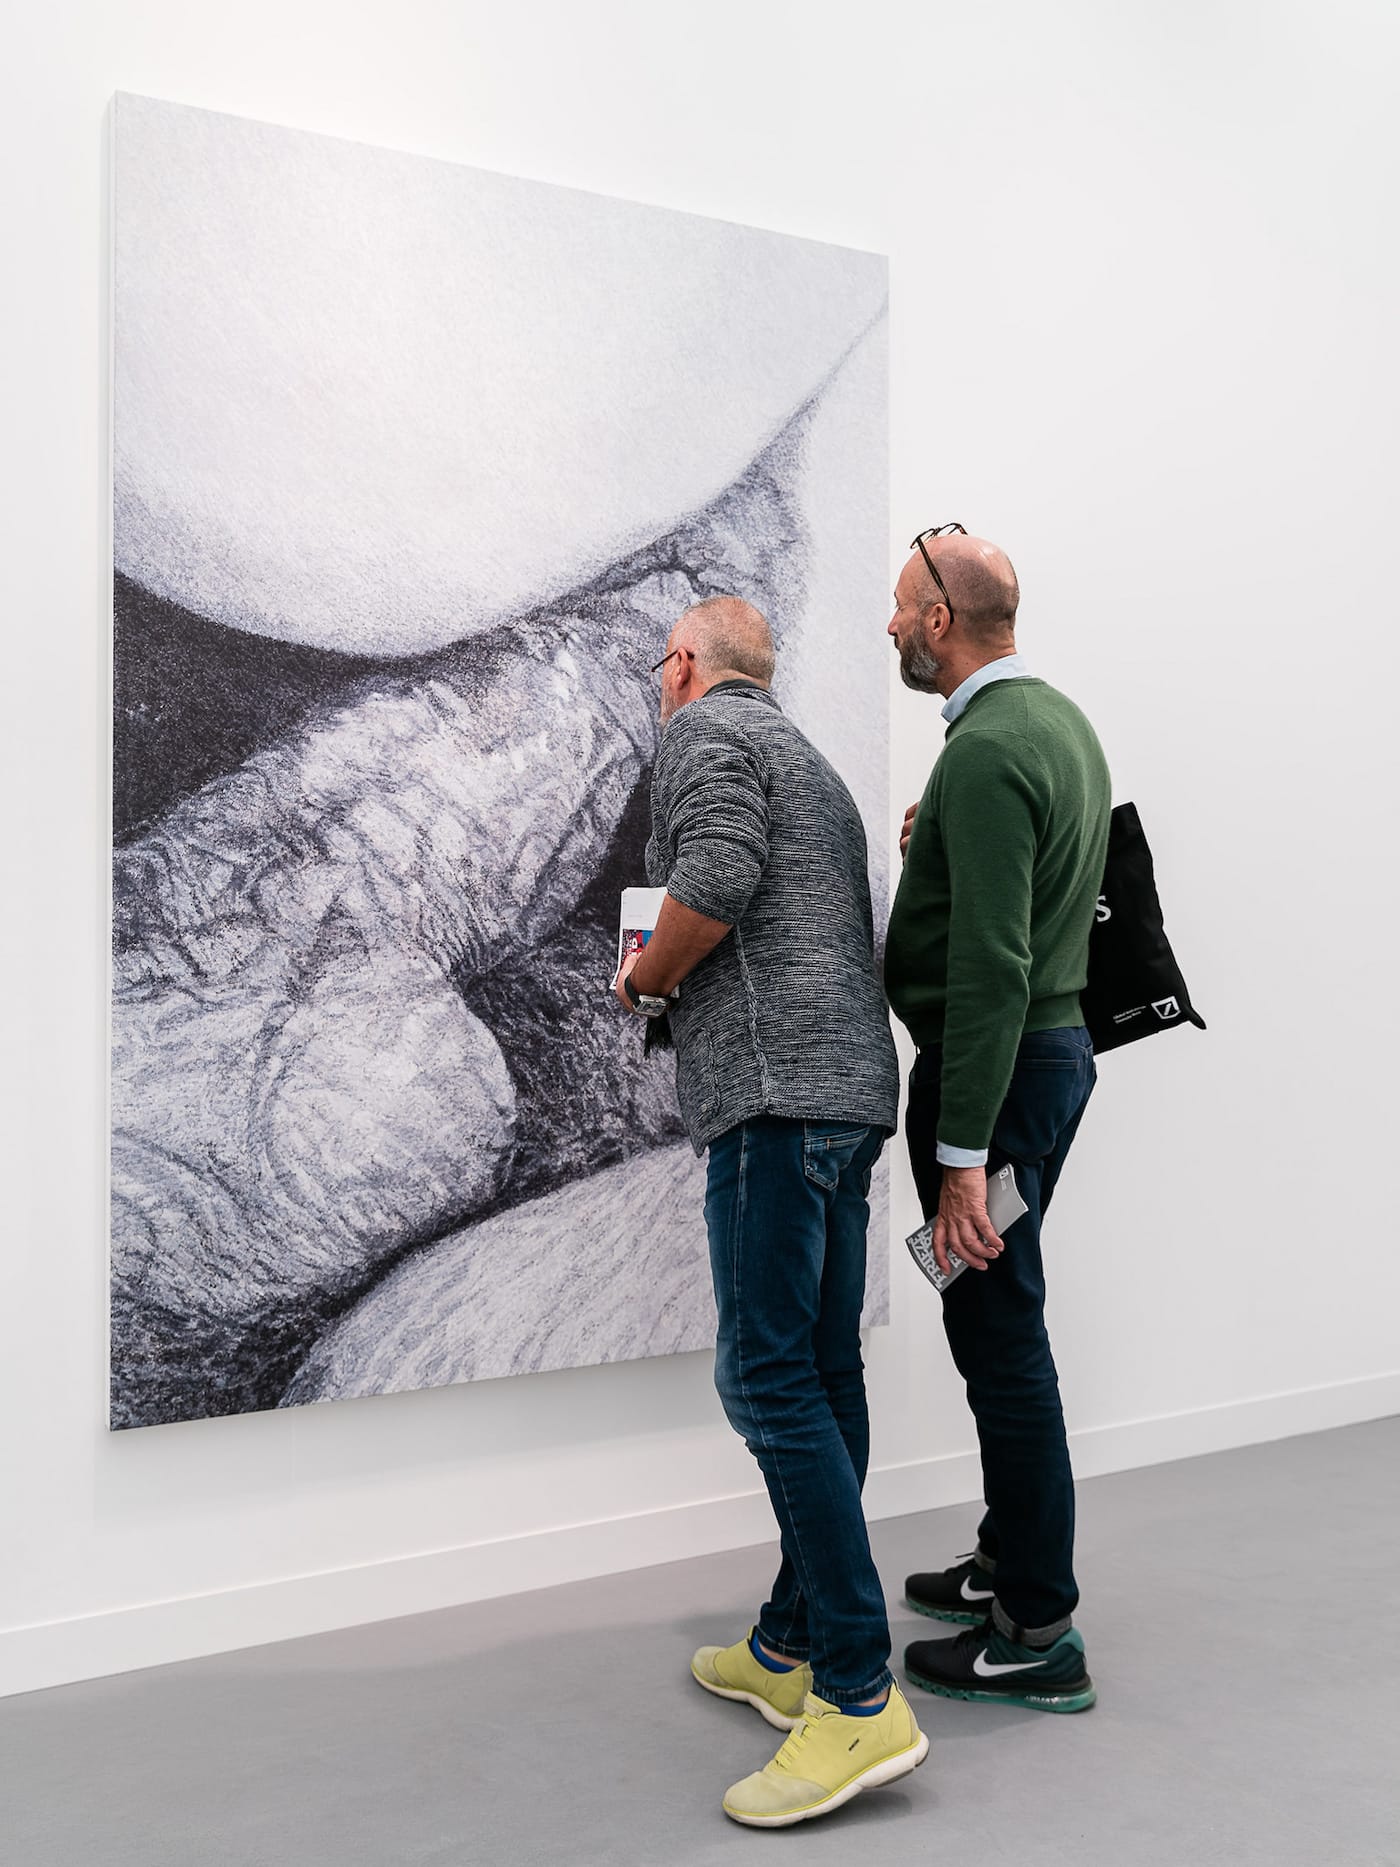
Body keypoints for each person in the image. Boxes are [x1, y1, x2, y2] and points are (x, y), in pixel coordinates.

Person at [614, 595, 927, 1827]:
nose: (657, 681)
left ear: (685, 665)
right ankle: (791, 1642)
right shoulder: (815, 762)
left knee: (763, 1381)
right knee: (820, 1368)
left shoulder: (700, 737)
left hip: (773, 1093)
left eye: (660, 665)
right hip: (848, 1098)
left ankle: (856, 1696)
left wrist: (643, 974)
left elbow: (718, 878)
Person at [883, 525, 1111, 1714]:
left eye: (898, 608)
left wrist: (962, 1161)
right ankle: (1002, 1560)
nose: (885, 627)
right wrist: (940, 853)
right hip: (1049, 1059)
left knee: (1001, 1339)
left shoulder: (984, 753)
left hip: (1002, 1072)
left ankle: (1035, 1627)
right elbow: (1028, 895)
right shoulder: (1052, 725)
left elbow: (990, 967)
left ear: (939, 621)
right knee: (992, 1328)